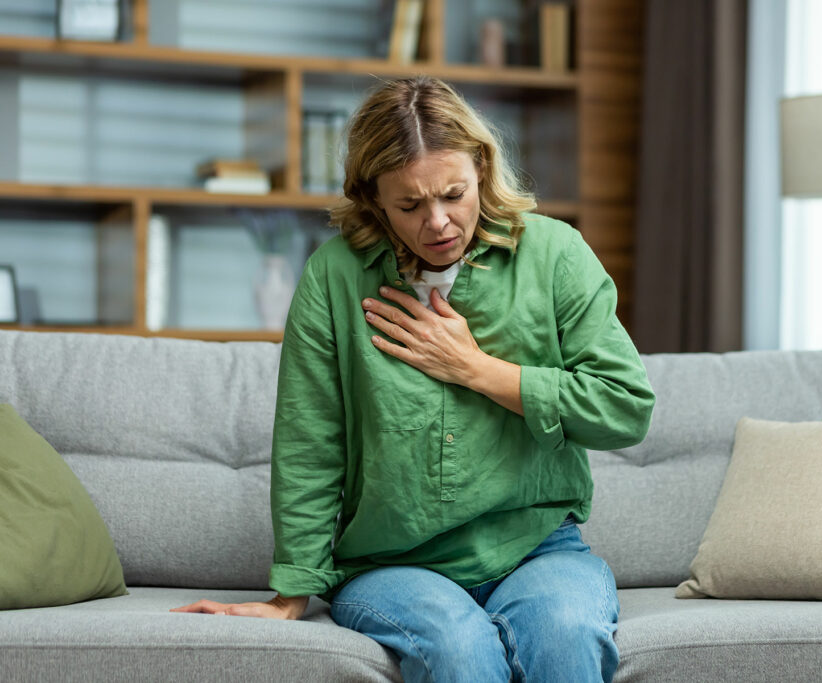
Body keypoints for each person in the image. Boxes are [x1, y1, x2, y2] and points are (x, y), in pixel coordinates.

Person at [172, 76, 655, 682]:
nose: (439, 223)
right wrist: (291, 594)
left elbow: (625, 407)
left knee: (565, 637)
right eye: (410, 205)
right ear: (373, 199)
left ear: (481, 167)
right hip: (393, 563)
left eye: (454, 194)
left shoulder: (556, 254)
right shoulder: (333, 278)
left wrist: (477, 369)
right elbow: (310, 444)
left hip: (535, 546)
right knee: (459, 647)